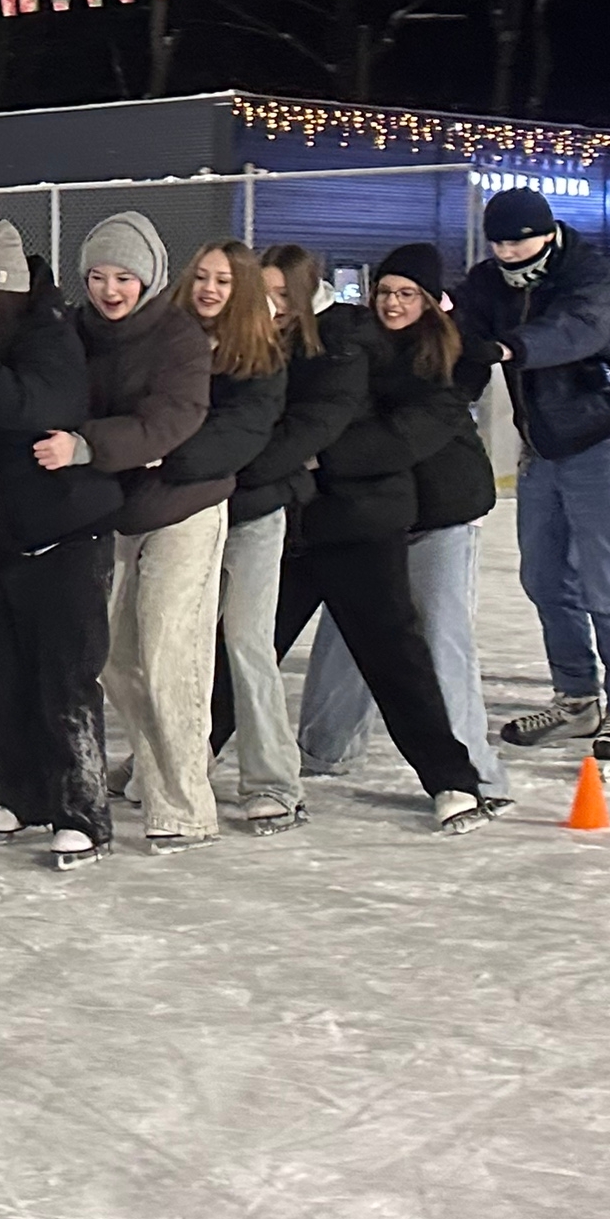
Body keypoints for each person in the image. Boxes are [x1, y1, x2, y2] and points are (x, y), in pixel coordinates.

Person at [276, 244, 501, 833]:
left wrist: (319, 457)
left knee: (434, 642)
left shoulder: (454, 358)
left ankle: (474, 776)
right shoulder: (352, 340)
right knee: (345, 640)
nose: (394, 303)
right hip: (360, 517)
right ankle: (325, 749)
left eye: (408, 294)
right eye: (386, 293)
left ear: (430, 301)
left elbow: (404, 436)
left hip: (437, 516)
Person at [0, 220, 123, 868]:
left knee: (65, 682)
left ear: (13, 295)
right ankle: (21, 797)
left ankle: (83, 814)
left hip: (71, 535)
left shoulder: (51, 337)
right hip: (8, 537)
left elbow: (23, 405)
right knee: (4, 678)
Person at [454, 188, 610, 769]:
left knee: (605, 581)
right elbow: (459, 323)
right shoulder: (488, 280)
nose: (506, 251)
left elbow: (577, 329)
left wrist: (510, 347)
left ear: (546, 233)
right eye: (497, 241)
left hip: (598, 440)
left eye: (516, 240)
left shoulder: (588, 271)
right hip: (541, 445)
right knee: (543, 576)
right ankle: (576, 698)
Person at [41, 211, 218, 855]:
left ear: (149, 278)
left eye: (123, 277)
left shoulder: (180, 338)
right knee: (112, 655)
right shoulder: (74, 331)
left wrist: (88, 445)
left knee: (171, 649)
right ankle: (155, 764)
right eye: (97, 276)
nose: (109, 290)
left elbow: (169, 422)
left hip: (185, 508)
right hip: (117, 506)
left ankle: (185, 806)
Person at [210, 245, 370, 815]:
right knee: (189, 645)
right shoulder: (228, 334)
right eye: (265, 292)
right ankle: (184, 751)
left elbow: (298, 436)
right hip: (213, 507)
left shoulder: (334, 349)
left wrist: (217, 465)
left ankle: (276, 780)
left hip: (295, 516)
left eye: (284, 295)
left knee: (253, 644)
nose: (273, 305)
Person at [148, 240, 291, 831]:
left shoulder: (261, 357)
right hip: (176, 513)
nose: (210, 289)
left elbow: (237, 439)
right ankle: (167, 763)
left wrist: (154, 455)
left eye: (225, 282)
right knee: (167, 647)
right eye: (202, 276)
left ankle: (272, 779)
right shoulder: (165, 342)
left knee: (246, 642)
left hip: (248, 516)